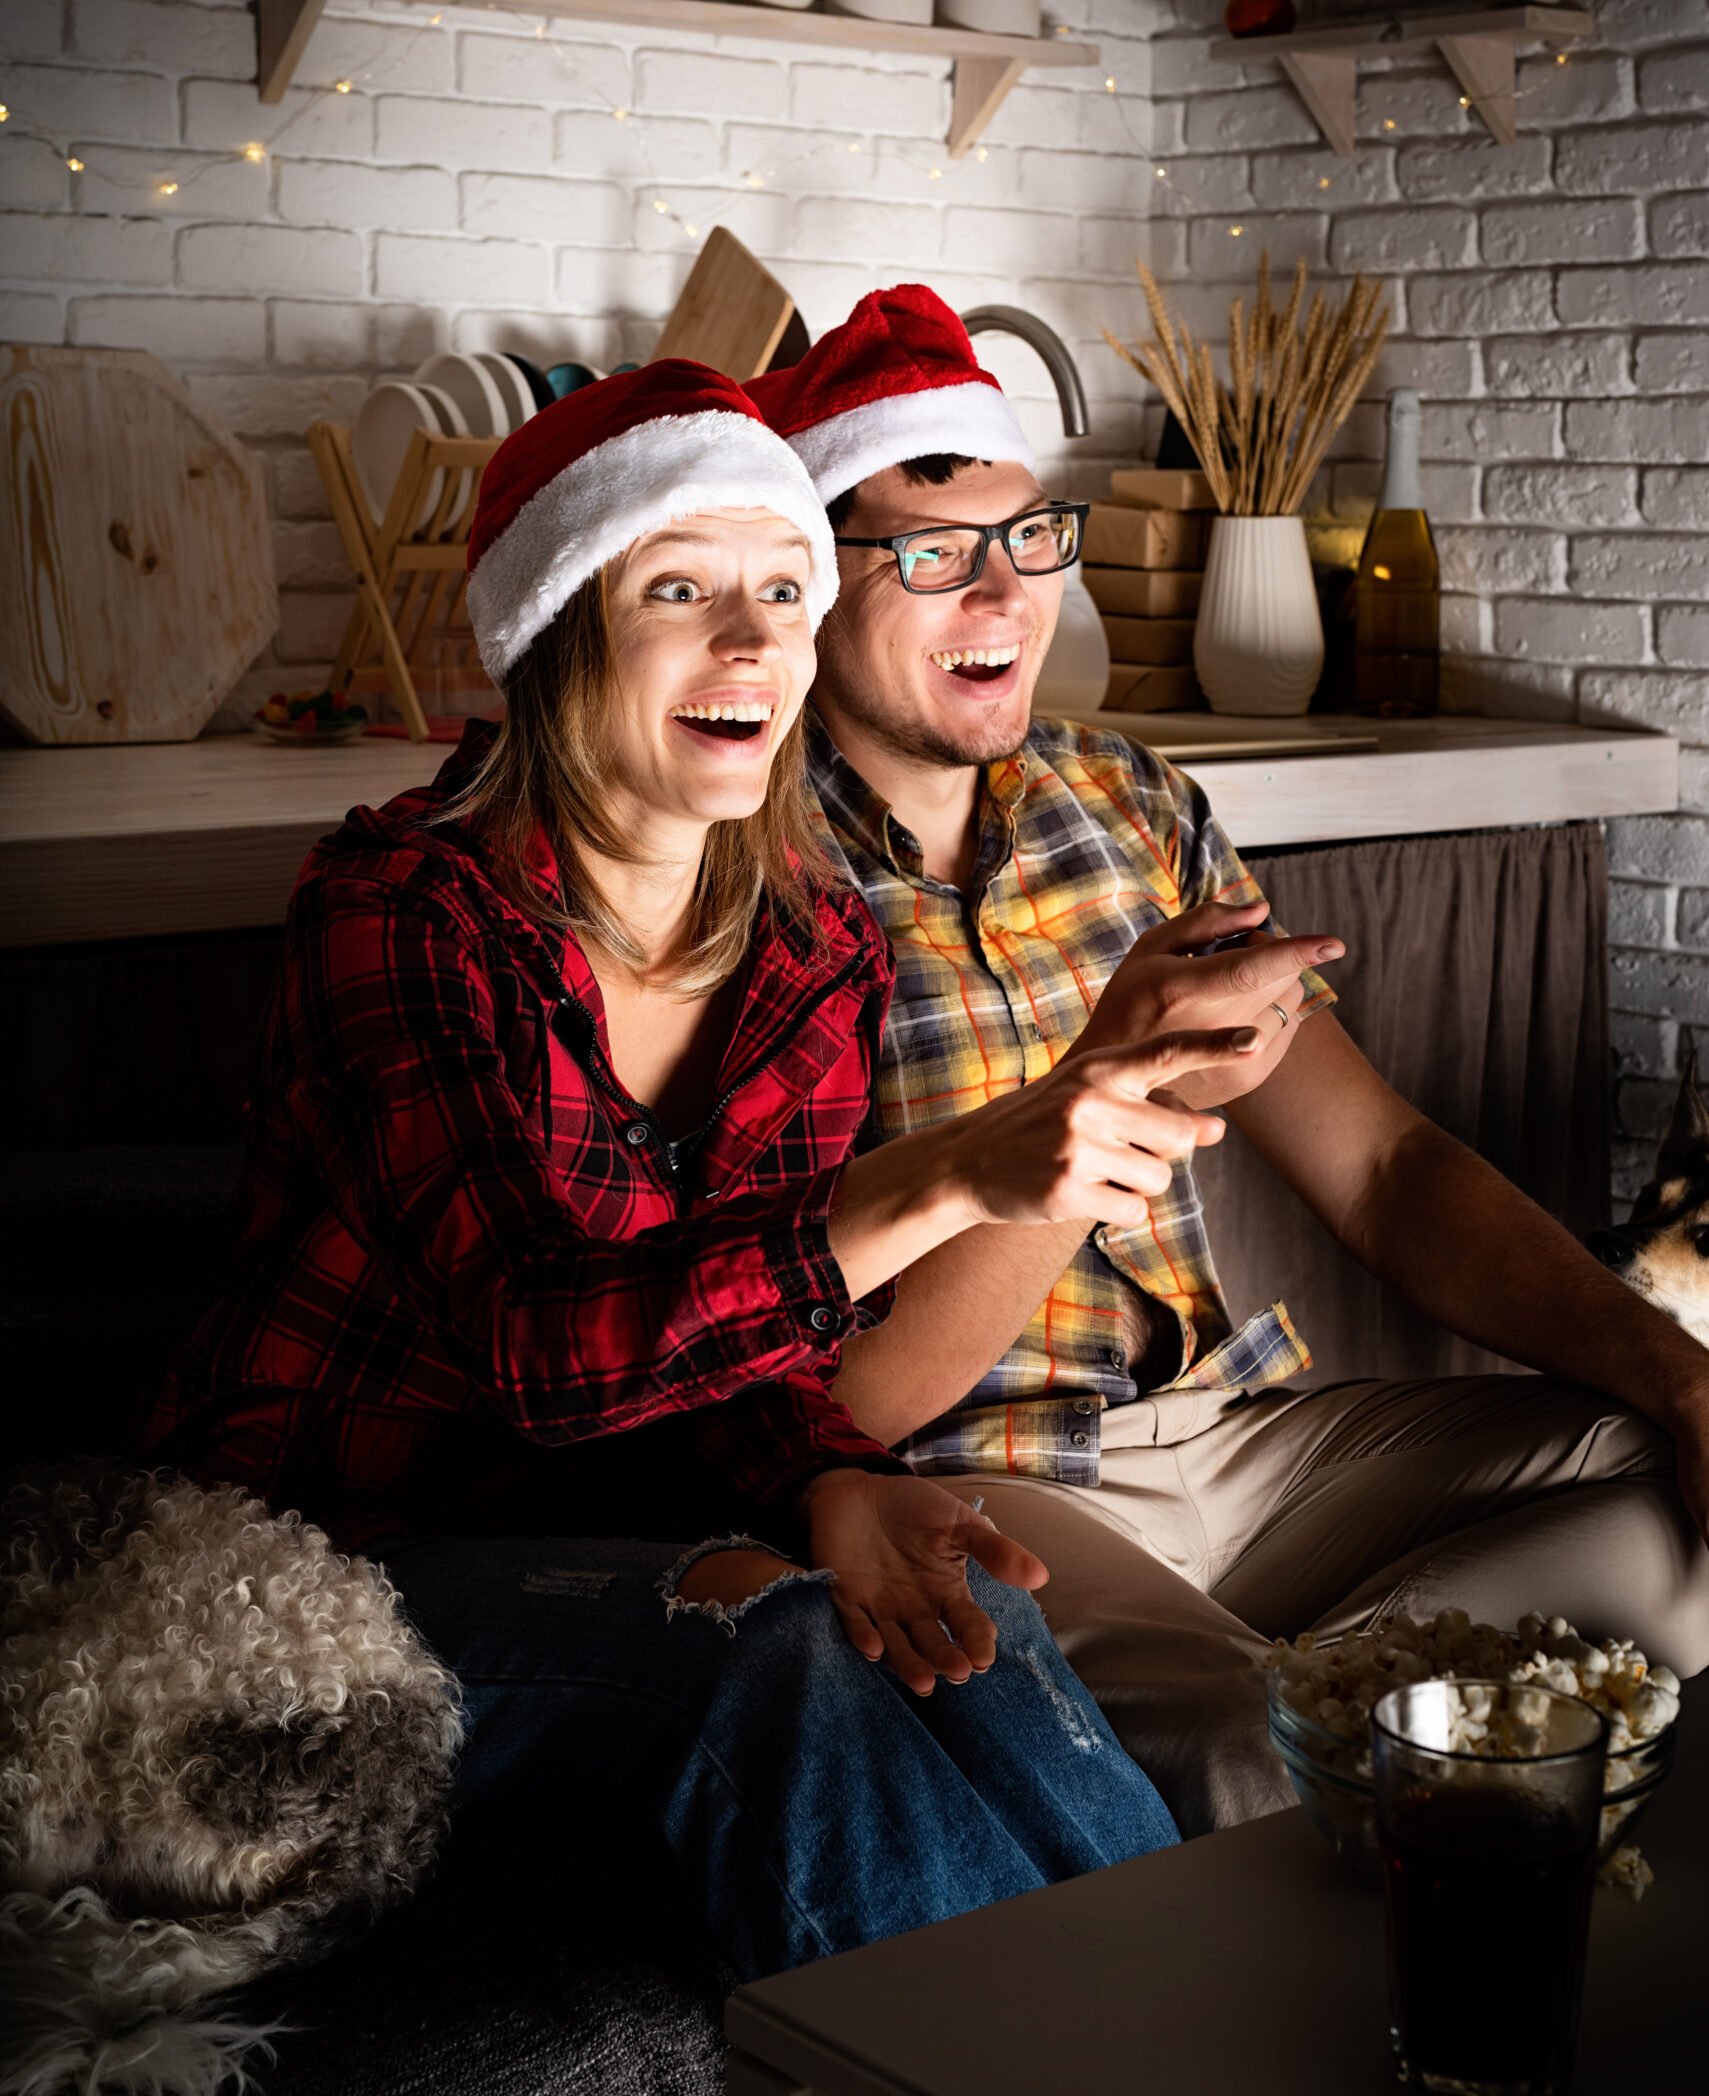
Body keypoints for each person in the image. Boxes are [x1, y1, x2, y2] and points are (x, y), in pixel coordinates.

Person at [146, 359, 1197, 1983]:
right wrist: (949, 1178)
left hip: (625, 1525)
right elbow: (538, 1350)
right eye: (683, 590)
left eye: (783, 588)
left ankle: (1177, 2023)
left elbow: (732, 1351)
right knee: (777, 1649)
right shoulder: (403, 913)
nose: (755, 642)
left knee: (952, 1624)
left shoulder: (808, 944)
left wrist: (828, 1479)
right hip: (328, 1568)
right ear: (563, 632)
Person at [752, 286, 1709, 1837]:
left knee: (1667, 1469)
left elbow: (1386, 1171)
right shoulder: (740, 874)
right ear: (801, 579)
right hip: (968, 1481)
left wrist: (1678, 1372)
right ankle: (1348, 1746)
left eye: (1026, 537)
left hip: (1235, 1435)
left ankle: (1351, 1727)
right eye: (929, 554)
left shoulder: (1123, 800)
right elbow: (833, 1406)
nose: (1000, 598)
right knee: (1255, 1760)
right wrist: (1104, 1100)